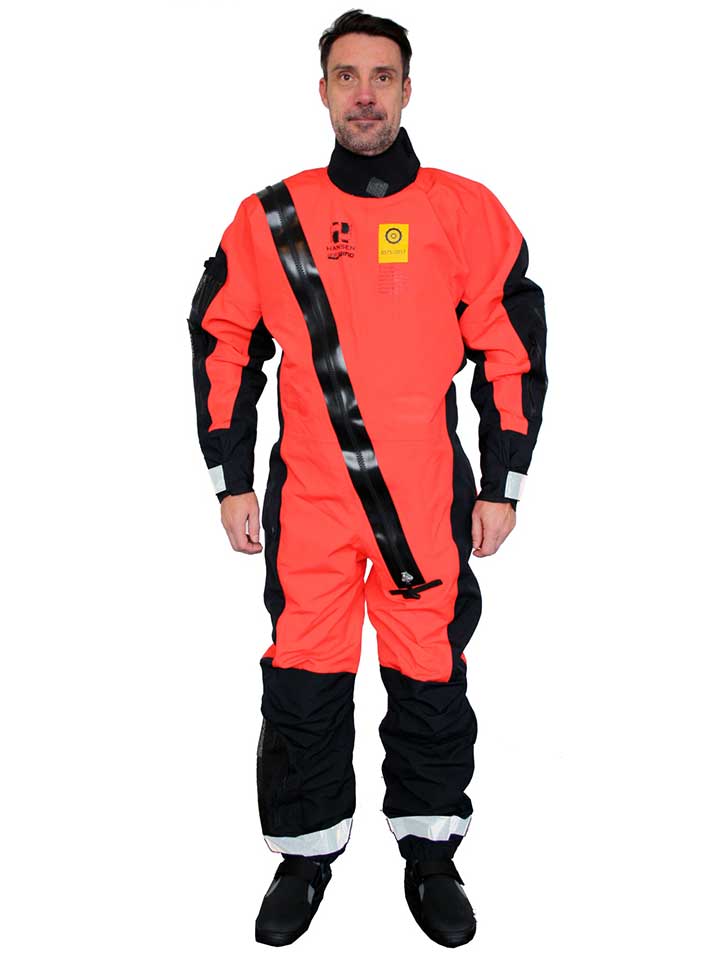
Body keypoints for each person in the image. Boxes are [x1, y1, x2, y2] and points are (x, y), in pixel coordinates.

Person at [186, 8, 548, 948]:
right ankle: (304, 855)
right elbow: (223, 339)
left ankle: (431, 852)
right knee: (304, 675)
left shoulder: (464, 212)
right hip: (309, 499)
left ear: (408, 89)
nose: (365, 94)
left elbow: (510, 345)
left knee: (429, 671)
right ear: (322, 91)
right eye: (347, 76)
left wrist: (503, 480)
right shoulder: (271, 216)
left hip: (425, 497)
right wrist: (229, 476)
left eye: (382, 76)